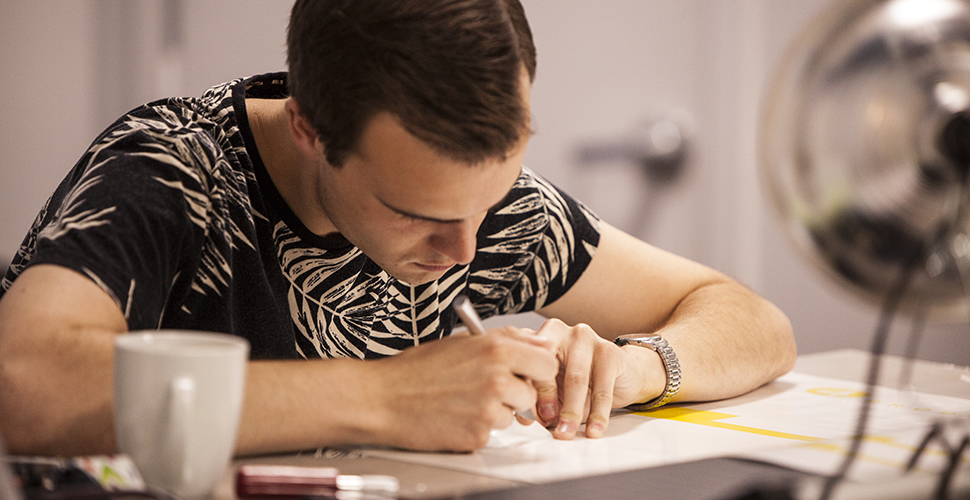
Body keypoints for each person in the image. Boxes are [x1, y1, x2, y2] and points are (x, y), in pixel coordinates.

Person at [0, 0, 796, 457]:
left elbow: (750, 320)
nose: (466, 251)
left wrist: (630, 370)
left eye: (489, 200)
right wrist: (388, 398)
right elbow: (27, 384)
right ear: (309, 127)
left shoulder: (483, 213)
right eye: (417, 214)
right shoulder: (176, 166)